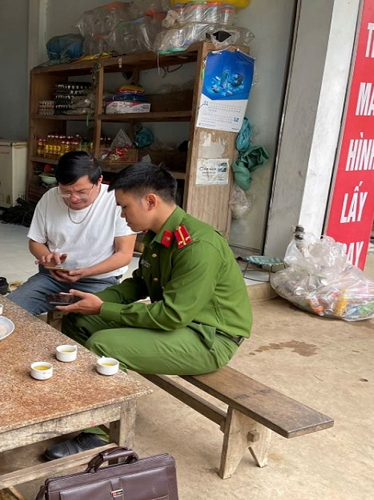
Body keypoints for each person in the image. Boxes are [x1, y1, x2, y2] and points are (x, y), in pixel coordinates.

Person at [43, 162, 253, 460]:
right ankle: (89, 402)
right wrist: (91, 302)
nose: (122, 215)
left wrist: (103, 307)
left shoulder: (197, 245)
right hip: (183, 324)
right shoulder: (160, 235)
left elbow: (171, 316)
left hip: (209, 338)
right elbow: (139, 284)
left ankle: (99, 433)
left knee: (106, 345)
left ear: (150, 201)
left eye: (125, 207)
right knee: (79, 321)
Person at [7, 151, 136, 315]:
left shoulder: (116, 200)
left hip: (98, 281)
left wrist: (86, 272)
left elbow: (124, 254)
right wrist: (48, 258)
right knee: (11, 310)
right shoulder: (49, 198)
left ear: (99, 181)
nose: (73, 198)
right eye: (66, 191)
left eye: (82, 191)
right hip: (53, 279)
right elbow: (35, 242)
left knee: (83, 323)